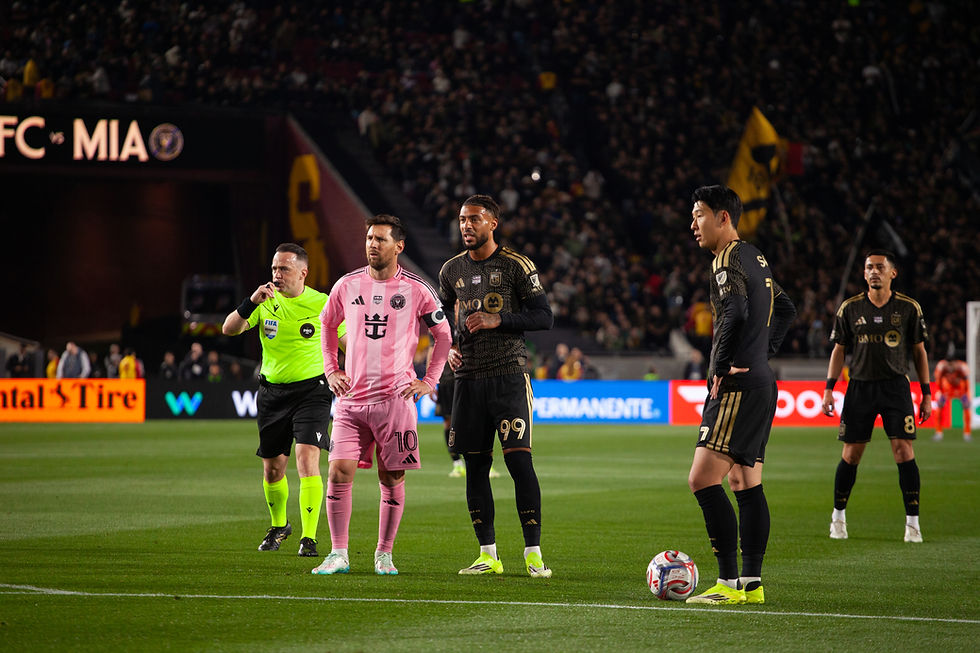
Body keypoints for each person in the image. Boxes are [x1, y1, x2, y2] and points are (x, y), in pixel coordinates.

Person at [312, 214, 451, 576]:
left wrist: (429, 380)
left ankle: (384, 554)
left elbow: (445, 337)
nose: (373, 244)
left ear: (399, 247)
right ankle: (338, 553)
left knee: (391, 479)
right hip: (351, 400)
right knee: (338, 473)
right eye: (370, 238)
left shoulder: (418, 289)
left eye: (381, 239)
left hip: (396, 401)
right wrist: (331, 370)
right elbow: (327, 326)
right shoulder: (346, 285)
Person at [685, 185, 796, 605]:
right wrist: (764, 351)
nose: (693, 224)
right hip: (763, 382)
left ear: (723, 218)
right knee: (745, 481)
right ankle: (751, 584)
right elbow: (787, 309)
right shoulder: (756, 257)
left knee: (701, 479)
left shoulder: (726, 260)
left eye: (699, 215)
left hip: (737, 385)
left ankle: (727, 583)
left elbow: (734, 312)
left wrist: (718, 366)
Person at [438, 194, 555, 578]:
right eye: (461, 219)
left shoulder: (516, 265)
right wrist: (449, 351)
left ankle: (533, 553)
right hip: (468, 381)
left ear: (493, 223)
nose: (466, 226)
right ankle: (488, 554)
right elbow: (441, 322)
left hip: (508, 377)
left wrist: (497, 319)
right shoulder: (451, 270)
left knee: (520, 461)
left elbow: (543, 316)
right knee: (475, 467)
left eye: (474, 219)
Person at [222, 243, 345, 558]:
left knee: (307, 460)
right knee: (273, 469)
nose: (277, 275)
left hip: (313, 391)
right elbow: (229, 329)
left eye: (284, 269)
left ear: (303, 272)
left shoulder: (323, 303)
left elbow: (347, 342)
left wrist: (355, 373)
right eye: (274, 269)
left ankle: (309, 537)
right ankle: (279, 526)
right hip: (272, 393)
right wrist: (251, 302)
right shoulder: (264, 301)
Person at [821, 249, 932, 544]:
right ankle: (838, 518)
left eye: (880, 267)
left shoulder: (909, 308)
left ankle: (913, 524)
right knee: (851, 455)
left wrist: (926, 394)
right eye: (869, 267)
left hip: (896, 388)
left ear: (892, 273)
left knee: (904, 452)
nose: (874, 271)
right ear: (864, 272)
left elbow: (919, 352)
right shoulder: (850, 308)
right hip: (860, 388)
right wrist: (829, 389)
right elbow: (839, 350)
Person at [931, 348, 971, 442]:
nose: (950, 367)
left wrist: (966, 393)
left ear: (956, 362)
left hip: (960, 388)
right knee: (939, 408)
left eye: (952, 364)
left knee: (966, 407)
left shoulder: (962, 367)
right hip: (947, 388)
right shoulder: (942, 366)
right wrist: (940, 391)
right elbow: (938, 379)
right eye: (948, 365)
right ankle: (938, 433)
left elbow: (966, 382)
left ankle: (967, 433)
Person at [434, 363, 466, 477]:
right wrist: (431, 381)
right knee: (448, 423)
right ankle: (457, 463)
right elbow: (432, 351)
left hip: (466, 377)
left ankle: (484, 463)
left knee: (471, 421)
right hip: (446, 382)